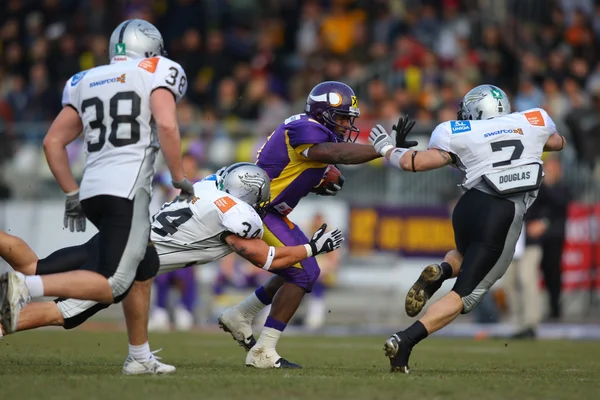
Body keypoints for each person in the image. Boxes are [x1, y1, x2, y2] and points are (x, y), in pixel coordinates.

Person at [0, 163, 344, 373]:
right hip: (126, 260)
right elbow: (265, 259)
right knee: (64, 312)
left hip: (116, 237)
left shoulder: (206, 188)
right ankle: (19, 300)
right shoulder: (237, 216)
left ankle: (24, 286)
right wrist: (312, 247)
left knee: (34, 265)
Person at [0, 19, 195, 366]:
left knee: (144, 264)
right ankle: (25, 287)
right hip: (128, 188)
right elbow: (166, 123)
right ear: (149, 48)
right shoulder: (157, 69)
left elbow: (53, 142)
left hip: (92, 191)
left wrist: (72, 194)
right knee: (114, 283)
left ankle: (139, 356)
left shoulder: (84, 79)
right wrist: (179, 176)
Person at [217, 81, 417, 369]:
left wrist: (316, 180)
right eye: (342, 117)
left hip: (271, 211)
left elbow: (294, 167)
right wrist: (383, 149)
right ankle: (263, 350)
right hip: (261, 210)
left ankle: (241, 314)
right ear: (323, 113)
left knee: (298, 270)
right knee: (305, 271)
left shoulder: (308, 130)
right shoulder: (305, 128)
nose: (347, 124)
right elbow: (337, 154)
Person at [368, 84, 566, 373]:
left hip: (469, 205)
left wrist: (387, 148)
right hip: (504, 210)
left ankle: (443, 271)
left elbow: (417, 163)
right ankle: (405, 341)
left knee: (465, 254)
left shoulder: (454, 131)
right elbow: (557, 142)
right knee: (467, 295)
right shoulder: (534, 119)